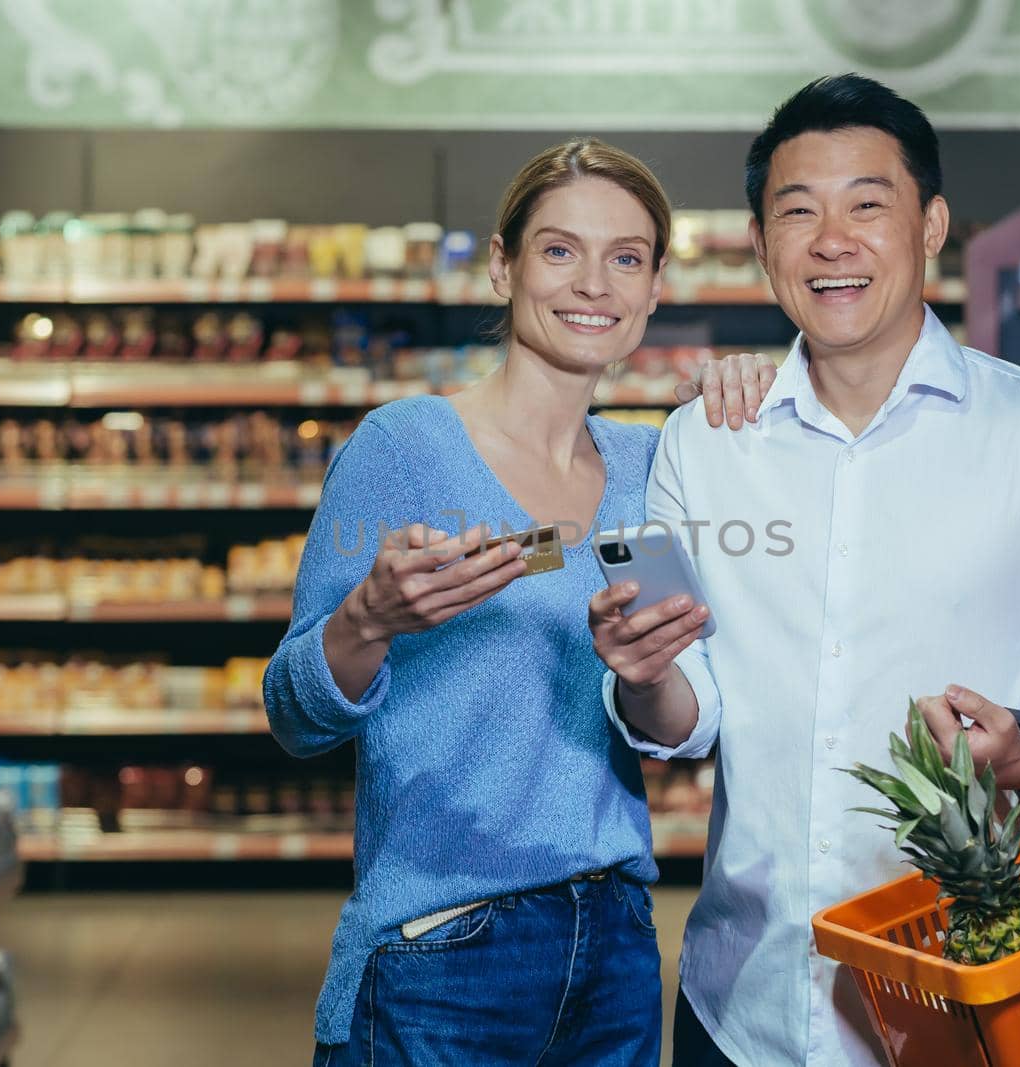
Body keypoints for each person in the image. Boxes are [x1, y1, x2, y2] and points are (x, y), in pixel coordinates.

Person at [590, 74, 1020, 1066]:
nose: (831, 239)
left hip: (977, 995)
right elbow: (692, 716)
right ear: (760, 238)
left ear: (931, 222)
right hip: (746, 999)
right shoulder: (705, 442)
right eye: (797, 211)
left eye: (867, 204)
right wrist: (642, 677)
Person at [262, 138, 762, 1066]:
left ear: (655, 288)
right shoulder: (404, 449)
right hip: (439, 949)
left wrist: (647, 671)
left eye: (626, 258)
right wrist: (365, 621)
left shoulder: (648, 470)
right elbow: (293, 715)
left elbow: (664, 705)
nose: (594, 284)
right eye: (560, 250)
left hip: (613, 944)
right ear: (504, 265)